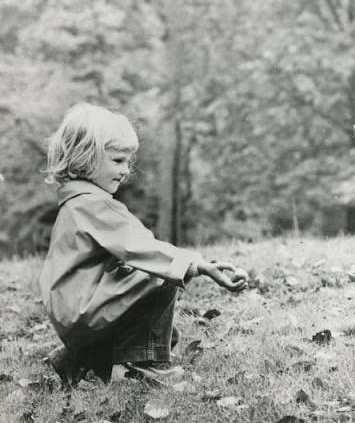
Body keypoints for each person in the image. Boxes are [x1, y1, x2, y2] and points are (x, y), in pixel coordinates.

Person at [40, 103, 248, 387]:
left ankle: (77, 359)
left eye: (128, 161)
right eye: (117, 160)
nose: (126, 170)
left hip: (75, 315)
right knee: (160, 273)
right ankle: (140, 365)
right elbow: (142, 248)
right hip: (84, 312)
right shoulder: (93, 205)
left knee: (142, 282)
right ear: (85, 158)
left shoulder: (75, 202)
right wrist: (197, 265)